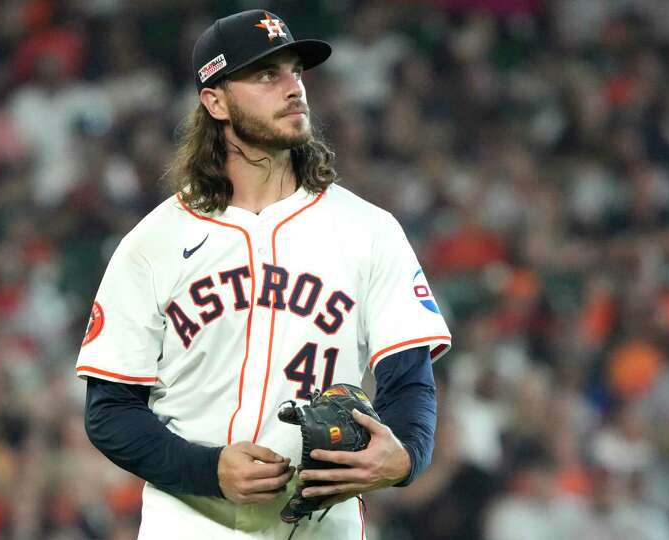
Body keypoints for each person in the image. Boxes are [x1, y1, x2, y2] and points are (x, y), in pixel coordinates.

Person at [77, 10, 451, 539]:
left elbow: (409, 379)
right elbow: (110, 412)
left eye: (295, 71)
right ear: (216, 101)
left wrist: (407, 455)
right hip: (190, 523)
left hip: (322, 526)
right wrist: (208, 471)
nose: (293, 88)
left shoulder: (369, 230)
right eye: (266, 75)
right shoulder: (153, 243)